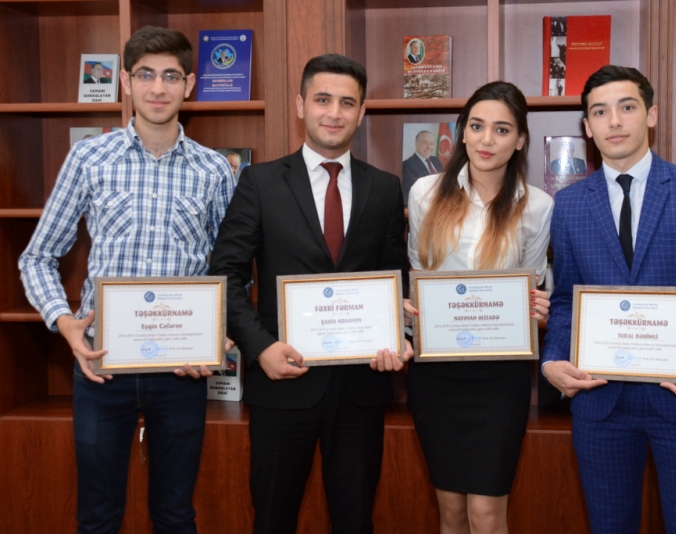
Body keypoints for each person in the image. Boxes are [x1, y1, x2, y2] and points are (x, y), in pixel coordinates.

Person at [18, 26, 235, 533]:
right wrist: (65, 324)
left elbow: (230, 268)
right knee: (97, 516)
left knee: (176, 514)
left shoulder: (215, 170)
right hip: (101, 365)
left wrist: (220, 331)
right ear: (124, 81)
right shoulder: (89, 158)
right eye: (145, 75)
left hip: (182, 370)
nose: (158, 88)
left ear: (190, 85)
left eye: (171, 76)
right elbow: (37, 256)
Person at [541, 65, 676, 534]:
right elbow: (565, 300)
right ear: (587, 126)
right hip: (600, 404)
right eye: (600, 112)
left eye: (627, 107)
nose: (614, 121)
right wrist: (553, 359)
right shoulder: (569, 205)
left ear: (651, 115)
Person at [208, 53, 412, 534]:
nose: (334, 113)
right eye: (322, 100)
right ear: (301, 105)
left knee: (355, 520)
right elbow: (226, 275)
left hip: (362, 385)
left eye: (347, 102)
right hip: (282, 382)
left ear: (361, 112)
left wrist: (400, 336)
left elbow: (395, 277)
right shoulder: (259, 182)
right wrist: (260, 348)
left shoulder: (385, 188)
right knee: (273, 519)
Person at [406, 81, 553, 534]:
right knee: (450, 512)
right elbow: (419, 273)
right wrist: (411, 308)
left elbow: (531, 283)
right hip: (436, 373)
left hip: (499, 377)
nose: (487, 140)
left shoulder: (537, 205)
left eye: (502, 130)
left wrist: (536, 311)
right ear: (462, 132)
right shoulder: (424, 193)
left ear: (520, 139)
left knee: (487, 515)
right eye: (477, 126)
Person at [402, 129, 443, 204]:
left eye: (431, 143)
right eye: (425, 143)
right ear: (416, 144)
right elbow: (413, 194)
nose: (429, 147)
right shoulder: (407, 165)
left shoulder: (436, 160)